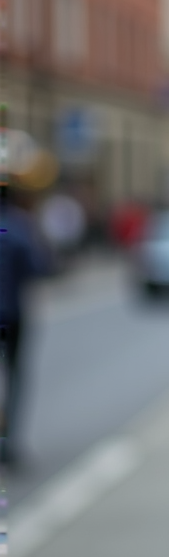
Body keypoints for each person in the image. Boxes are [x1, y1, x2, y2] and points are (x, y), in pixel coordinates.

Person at [0, 189, 50, 464]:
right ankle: (8, 443)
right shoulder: (19, 226)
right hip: (10, 313)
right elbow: (39, 267)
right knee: (14, 377)